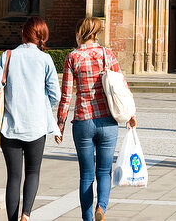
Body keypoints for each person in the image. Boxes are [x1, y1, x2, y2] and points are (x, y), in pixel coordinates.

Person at [56, 16, 136, 221]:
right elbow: (121, 86)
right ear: (95, 33)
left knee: (86, 175)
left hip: (83, 121)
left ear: (80, 33)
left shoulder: (72, 57)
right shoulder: (106, 54)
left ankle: (87, 218)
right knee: (104, 171)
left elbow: (66, 94)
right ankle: (101, 206)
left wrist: (60, 124)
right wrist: (130, 114)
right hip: (107, 121)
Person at [0, 15, 61, 221]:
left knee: (13, 176)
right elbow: (55, 94)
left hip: (10, 126)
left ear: (24, 33)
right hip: (36, 126)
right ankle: (26, 214)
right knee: (33, 172)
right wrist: (41, 103)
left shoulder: (8, 56)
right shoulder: (45, 59)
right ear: (42, 36)